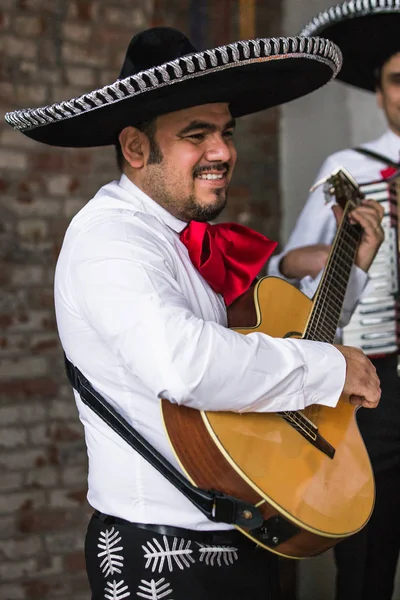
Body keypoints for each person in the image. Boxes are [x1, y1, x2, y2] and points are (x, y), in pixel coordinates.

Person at [5, 26, 384, 600]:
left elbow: (276, 341)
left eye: (226, 132)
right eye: (196, 134)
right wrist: (331, 368)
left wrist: (348, 270)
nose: (223, 152)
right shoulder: (112, 240)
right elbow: (186, 363)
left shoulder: (184, 238)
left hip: (239, 534)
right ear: (135, 148)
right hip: (159, 553)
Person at [268, 3, 400, 599]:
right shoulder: (350, 169)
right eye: (399, 79)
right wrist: (348, 247)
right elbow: (287, 266)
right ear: (379, 93)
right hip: (379, 379)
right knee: (370, 552)